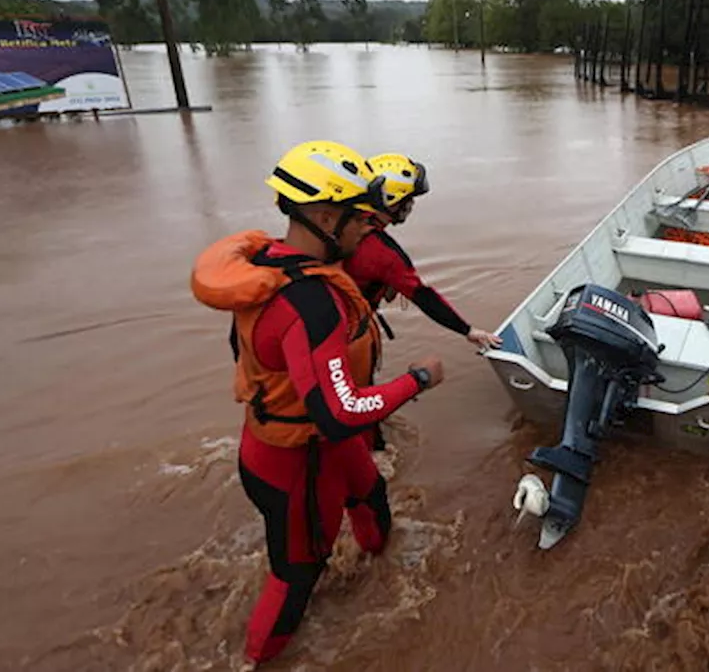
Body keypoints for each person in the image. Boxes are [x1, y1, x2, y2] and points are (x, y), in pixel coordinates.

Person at [191, 140, 446, 666]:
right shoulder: (310, 302)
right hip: (296, 459)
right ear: (327, 216)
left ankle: (379, 570)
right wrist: (416, 379)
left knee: (372, 494)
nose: (367, 231)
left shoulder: (268, 262)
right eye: (360, 220)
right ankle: (259, 661)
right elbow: (340, 411)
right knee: (297, 574)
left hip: (311, 444)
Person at [344, 152, 501, 352]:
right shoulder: (385, 253)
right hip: (349, 334)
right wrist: (467, 331)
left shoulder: (342, 227)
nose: (412, 205)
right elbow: (422, 296)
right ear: (392, 200)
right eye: (409, 199)